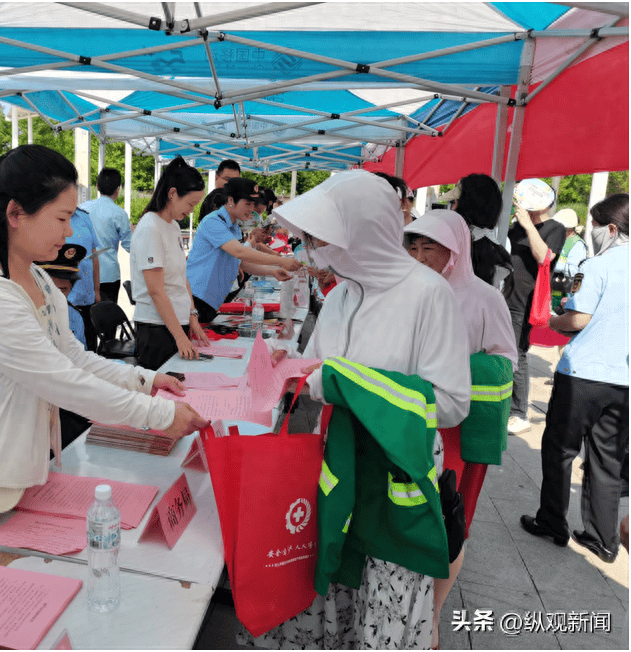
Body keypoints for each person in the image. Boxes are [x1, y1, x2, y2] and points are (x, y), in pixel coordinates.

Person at [0, 145, 207, 566]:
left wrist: (146, 381)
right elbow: (61, 381)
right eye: (62, 218)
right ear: (15, 214)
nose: (69, 233)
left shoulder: (39, 281)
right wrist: (158, 415)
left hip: (5, 477)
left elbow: (73, 359)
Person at [247, 170, 470, 650]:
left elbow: (451, 403)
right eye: (311, 239)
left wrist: (347, 383)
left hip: (394, 483)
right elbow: (325, 373)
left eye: (323, 239)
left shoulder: (427, 295)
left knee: (381, 608)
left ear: (364, 232)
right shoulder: (341, 294)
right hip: (339, 472)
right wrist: (298, 371)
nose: (313, 250)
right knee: (334, 593)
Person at [404, 209, 517, 649]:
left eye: (428, 247)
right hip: (411, 418)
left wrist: (451, 372)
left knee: (448, 521)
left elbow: (504, 358)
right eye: (412, 246)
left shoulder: (484, 298)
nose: (418, 255)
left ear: (455, 250)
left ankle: (431, 615)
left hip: (456, 427)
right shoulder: (405, 291)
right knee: (412, 512)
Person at [521, 194, 629, 564]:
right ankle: (602, 538)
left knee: (560, 450)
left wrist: (553, 321)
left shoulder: (597, 266)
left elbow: (577, 319)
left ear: (612, 229)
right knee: (607, 459)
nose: (592, 232)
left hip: (582, 375)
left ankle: (552, 520)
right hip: (623, 382)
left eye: (597, 225)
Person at [130, 156, 211, 370]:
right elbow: (156, 290)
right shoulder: (150, 228)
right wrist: (179, 336)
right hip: (157, 328)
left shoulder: (173, 226)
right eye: (190, 203)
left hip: (176, 324)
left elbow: (180, 277)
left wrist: (192, 316)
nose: (192, 210)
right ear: (172, 194)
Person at [186, 178, 301, 324]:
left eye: (253, 203)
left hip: (210, 301)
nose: (251, 208)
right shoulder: (213, 221)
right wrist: (281, 261)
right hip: (196, 299)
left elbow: (241, 263)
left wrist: (272, 271)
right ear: (231, 200)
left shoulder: (234, 227)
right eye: (247, 203)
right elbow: (240, 252)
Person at [505, 178, 566, 435]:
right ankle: (505, 405)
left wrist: (529, 225)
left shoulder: (555, 228)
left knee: (518, 353)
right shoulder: (514, 227)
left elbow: (544, 257)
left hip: (525, 300)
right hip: (503, 296)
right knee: (503, 352)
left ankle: (519, 413)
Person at [36, 245, 94, 449]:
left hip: (68, 400)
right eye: (53, 289)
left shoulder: (74, 317)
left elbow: (82, 360)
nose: (59, 296)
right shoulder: (27, 316)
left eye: (65, 290)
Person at [443, 174, 514, 297]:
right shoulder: (500, 251)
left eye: (454, 202)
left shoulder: (448, 244)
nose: (451, 208)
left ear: (466, 207)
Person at [79, 167, 132, 304]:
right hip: (108, 276)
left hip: (85, 273)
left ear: (97, 186)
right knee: (107, 320)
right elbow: (130, 246)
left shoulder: (83, 208)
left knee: (87, 319)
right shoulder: (119, 214)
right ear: (118, 189)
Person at [65, 204, 102, 351]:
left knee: (91, 346)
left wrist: (96, 290)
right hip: (69, 297)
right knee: (74, 349)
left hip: (88, 296)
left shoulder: (84, 217)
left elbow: (94, 256)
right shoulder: (53, 218)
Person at [550, 208, 588, 312]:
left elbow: (575, 271)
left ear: (567, 229)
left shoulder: (577, 244)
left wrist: (557, 265)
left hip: (566, 292)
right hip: (553, 288)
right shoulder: (560, 240)